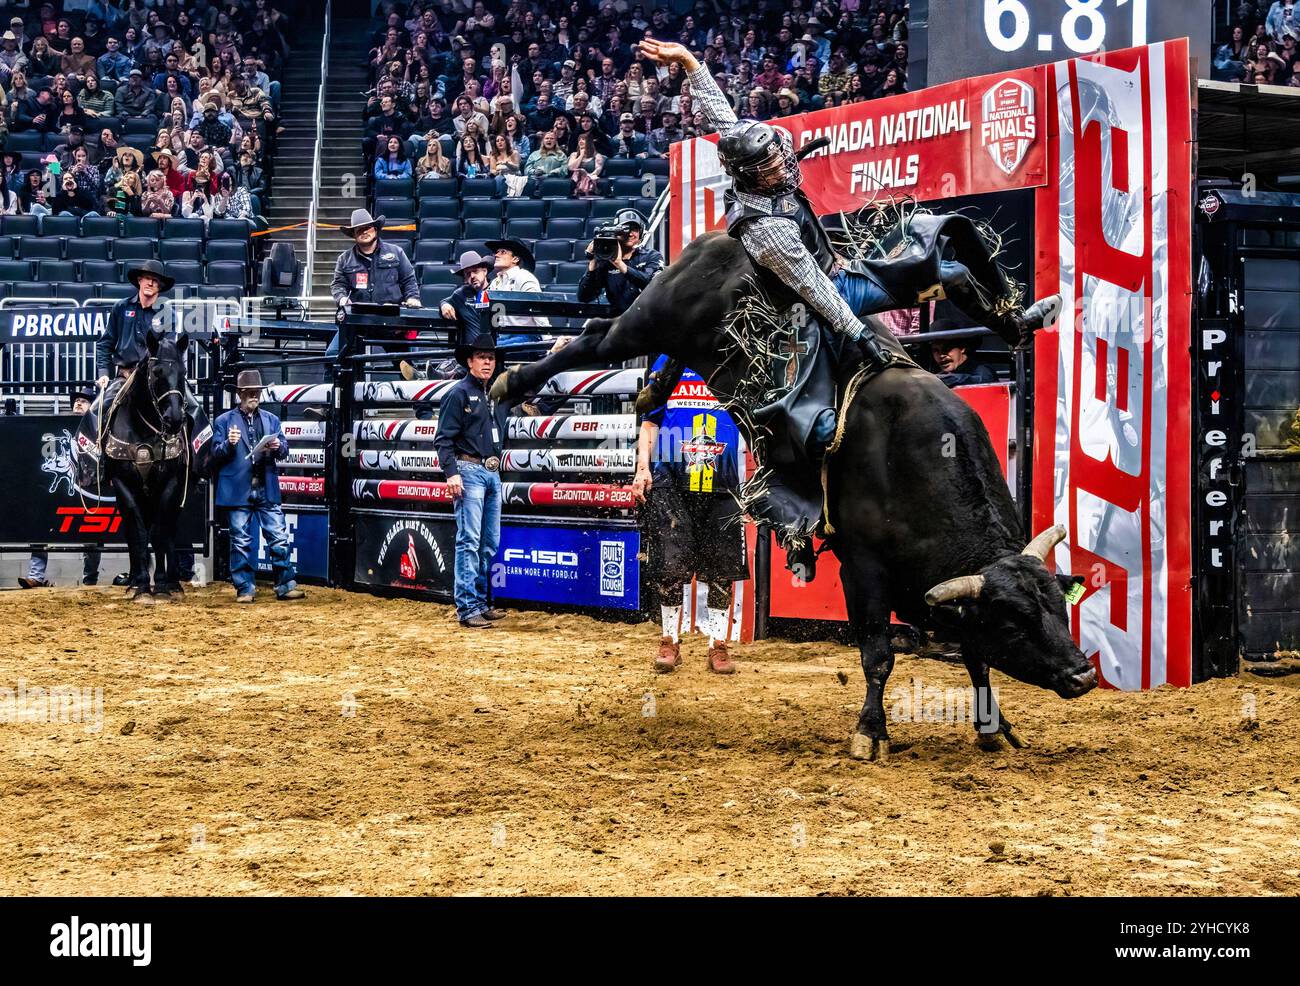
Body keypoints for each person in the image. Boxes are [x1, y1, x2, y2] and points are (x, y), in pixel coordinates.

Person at [633, 357, 749, 675]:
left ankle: (717, 645)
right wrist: (642, 468)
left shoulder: (733, 358)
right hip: (670, 480)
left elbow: (756, 421)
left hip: (723, 481)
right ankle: (669, 640)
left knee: (722, 568)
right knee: (669, 566)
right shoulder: (667, 363)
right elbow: (650, 422)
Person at [433, 334, 511, 629]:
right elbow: (443, 439)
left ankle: (476, 601)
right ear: (470, 361)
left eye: (490, 358)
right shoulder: (458, 394)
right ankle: (468, 606)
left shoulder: (497, 394)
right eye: (482, 357)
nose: (487, 362)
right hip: (469, 470)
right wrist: (451, 472)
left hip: (490, 471)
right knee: (471, 539)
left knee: (488, 541)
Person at [209, 369, 304, 604]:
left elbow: (284, 449)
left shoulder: (271, 420)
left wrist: (276, 446)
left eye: (257, 393)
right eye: (251, 393)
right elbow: (214, 454)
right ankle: (245, 588)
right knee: (241, 540)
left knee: (278, 536)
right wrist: (229, 445)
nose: (255, 396)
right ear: (240, 394)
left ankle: (284, 584)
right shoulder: (223, 421)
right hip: (240, 488)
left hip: (264, 486)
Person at [19, 386, 103, 588]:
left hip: (87, 487)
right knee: (41, 525)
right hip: (58, 489)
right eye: (76, 400)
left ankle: (89, 579)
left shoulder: (99, 428)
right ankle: (36, 575)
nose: (78, 402)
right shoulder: (56, 426)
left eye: (84, 400)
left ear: (93, 405)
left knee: (93, 533)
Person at [326, 208, 421, 356]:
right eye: (358, 230)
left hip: (392, 323)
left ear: (375, 229)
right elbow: (338, 285)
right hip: (358, 321)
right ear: (353, 235)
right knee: (333, 356)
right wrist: (342, 298)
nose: (364, 232)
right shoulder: (344, 259)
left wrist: (412, 298)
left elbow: (408, 280)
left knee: (408, 364)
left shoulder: (397, 253)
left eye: (367, 227)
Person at [577, 208, 663, 315]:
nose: (630, 234)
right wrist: (593, 262)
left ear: (641, 233)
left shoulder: (652, 256)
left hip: (647, 319)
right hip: (618, 322)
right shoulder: (605, 262)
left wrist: (619, 264)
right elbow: (584, 297)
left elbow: (653, 286)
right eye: (625, 229)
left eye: (635, 229)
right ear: (616, 233)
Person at [483, 237, 547, 346]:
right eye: (497, 252)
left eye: (503, 252)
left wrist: (547, 342)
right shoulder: (496, 282)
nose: (496, 255)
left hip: (527, 335)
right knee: (481, 347)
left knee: (490, 349)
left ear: (515, 259)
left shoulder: (525, 277)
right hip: (503, 335)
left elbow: (538, 310)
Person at [930, 329, 998, 387]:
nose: (941, 355)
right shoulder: (943, 373)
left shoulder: (982, 370)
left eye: (947, 349)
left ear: (962, 348)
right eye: (936, 351)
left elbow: (983, 381)